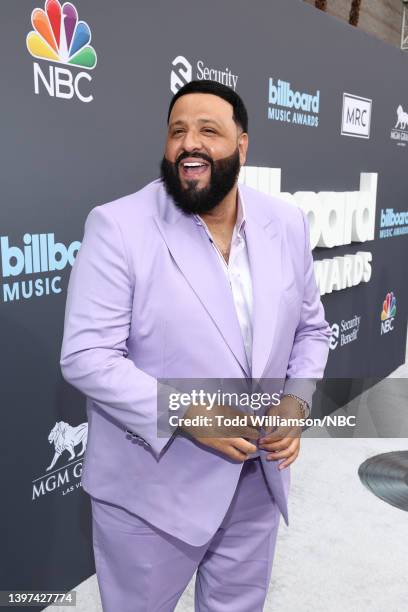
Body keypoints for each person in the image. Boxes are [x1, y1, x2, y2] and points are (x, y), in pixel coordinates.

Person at [60, 80, 331, 612]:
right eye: (177, 131)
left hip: (257, 478)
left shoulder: (286, 222)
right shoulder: (118, 225)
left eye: (210, 130)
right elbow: (86, 355)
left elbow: (311, 331)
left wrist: (296, 402)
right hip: (152, 492)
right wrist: (186, 411)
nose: (191, 143)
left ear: (243, 145)